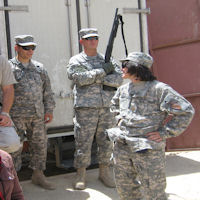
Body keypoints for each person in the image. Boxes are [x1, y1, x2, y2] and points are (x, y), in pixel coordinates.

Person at [106, 52, 195, 200]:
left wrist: (165, 132)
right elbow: (114, 106)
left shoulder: (159, 89)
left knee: (153, 191)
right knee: (125, 188)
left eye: (124, 65)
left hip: (147, 148)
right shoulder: (123, 90)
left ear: (136, 68)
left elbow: (186, 111)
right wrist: (120, 120)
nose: (121, 69)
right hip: (123, 145)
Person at [67, 28, 123, 190]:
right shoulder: (76, 60)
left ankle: (104, 172)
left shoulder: (108, 60)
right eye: (88, 38)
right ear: (82, 41)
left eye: (95, 38)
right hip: (86, 108)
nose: (93, 41)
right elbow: (79, 78)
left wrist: (95, 76)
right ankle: (81, 174)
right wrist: (102, 72)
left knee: (106, 141)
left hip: (106, 107)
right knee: (83, 142)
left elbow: (119, 79)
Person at [9, 35, 56, 190]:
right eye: (26, 48)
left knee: (40, 146)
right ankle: (13, 181)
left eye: (32, 48)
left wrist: (48, 109)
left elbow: (47, 91)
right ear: (16, 48)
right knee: (14, 148)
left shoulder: (39, 68)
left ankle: (38, 175)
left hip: (37, 115)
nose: (30, 51)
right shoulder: (8, 68)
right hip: (15, 116)